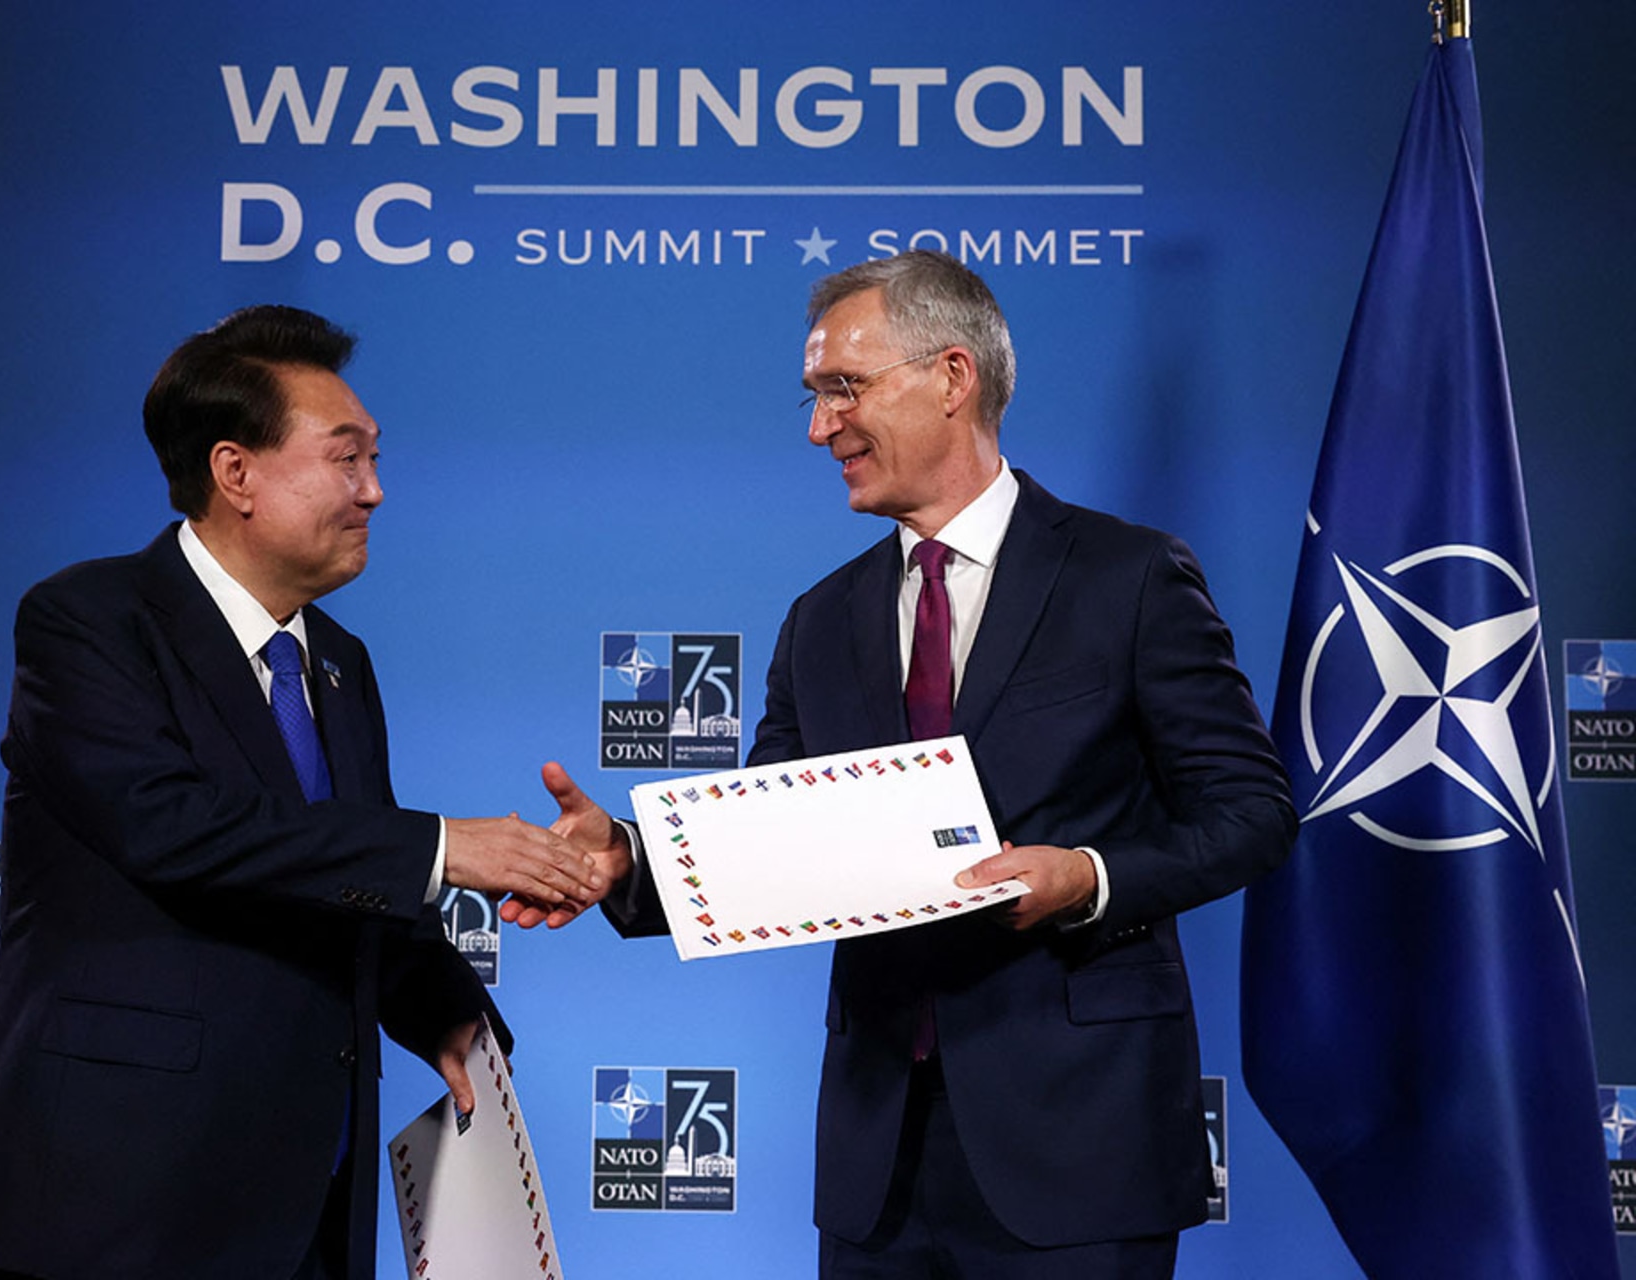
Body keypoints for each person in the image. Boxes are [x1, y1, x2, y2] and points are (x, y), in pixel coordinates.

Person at [539, 251, 1297, 1277]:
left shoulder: (1128, 577)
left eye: (843, 388)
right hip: (877, 1162)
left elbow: (1250, 809)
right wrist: (627, 860)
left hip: (1081, 1145)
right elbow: (768, 841)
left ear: (952, 376)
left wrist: (1089, 875)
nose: (820, 427)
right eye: (813, 397)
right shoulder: (822, 619)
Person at [0, 304, 609, 1280]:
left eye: (375, 458)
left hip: (304, 1204)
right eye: (346, 458)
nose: (375, 490)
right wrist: (440, 849)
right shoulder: (88, 621)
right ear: (235, 472)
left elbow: (332, 873)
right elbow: (169, 826)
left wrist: (442, 1005)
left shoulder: (339, 661)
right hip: (112, 1202)